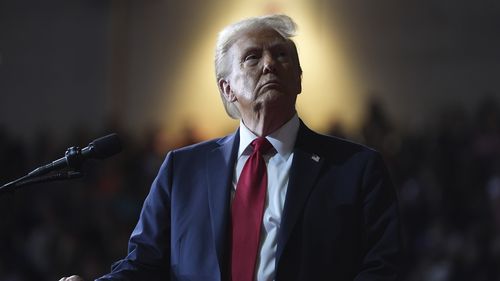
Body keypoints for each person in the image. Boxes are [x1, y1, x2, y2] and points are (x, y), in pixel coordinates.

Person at [60, 14, 402, 281]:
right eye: (252, 58)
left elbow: (383, 268)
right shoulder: (183, 169)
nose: (269, 64)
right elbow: (144, 264)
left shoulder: (356, 168)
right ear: (227, 89)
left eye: (281, 55)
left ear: (298, 77)